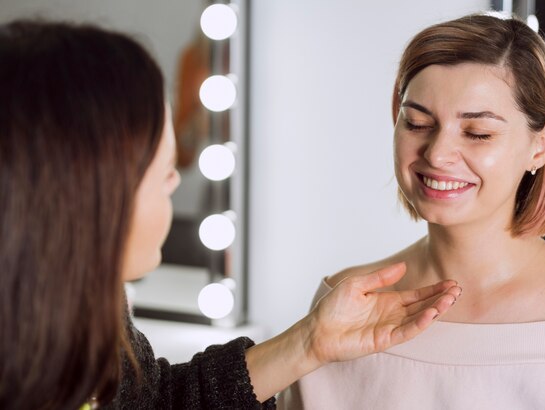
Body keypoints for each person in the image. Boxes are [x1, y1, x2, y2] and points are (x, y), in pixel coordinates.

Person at [0, 20, 462, 410]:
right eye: (161, 173)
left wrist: (309, 342)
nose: (176, 181)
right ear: (82, 192)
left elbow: (155, 402)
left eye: (478, 132)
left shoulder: (83, 315)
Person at [280, 13, 545, 409]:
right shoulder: (346, 304)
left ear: (541, 146)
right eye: (417, 123)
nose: (438, 154)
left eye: (478, 133)